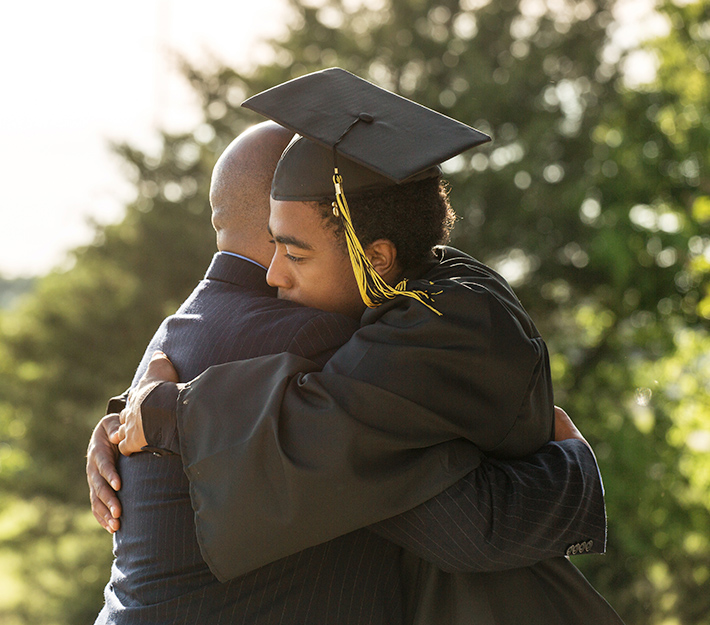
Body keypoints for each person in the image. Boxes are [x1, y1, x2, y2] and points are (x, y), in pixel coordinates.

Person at [109, 69, 623, 623]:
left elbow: (457, 522)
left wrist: (166, 409)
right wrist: (126, 417)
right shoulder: (405, 309)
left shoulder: (182, 329)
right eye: (278, 247)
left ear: (375, 256)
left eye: (296, 253)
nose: (276, 276)